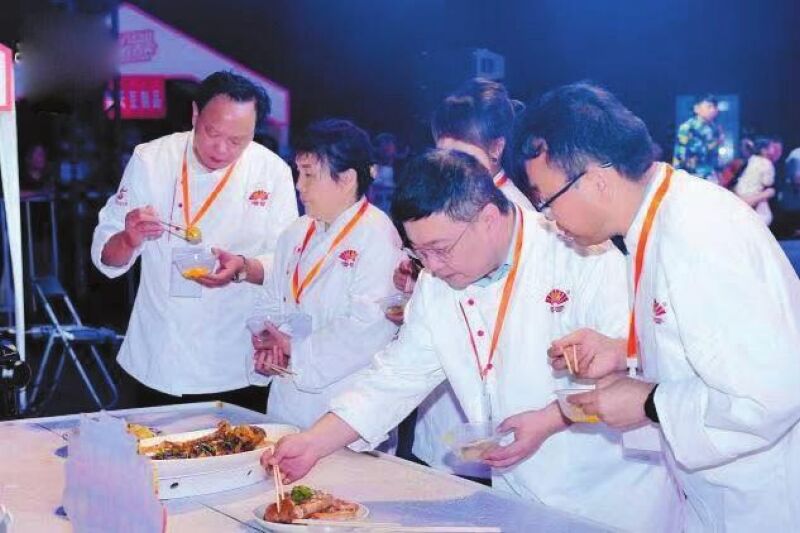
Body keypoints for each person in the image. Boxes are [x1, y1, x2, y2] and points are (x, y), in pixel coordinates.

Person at [262, 150, 683, 533]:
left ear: (488, 218)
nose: (432, 266)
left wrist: (551, 418)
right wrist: (312, 443)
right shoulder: (437, 282)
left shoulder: (581, 253)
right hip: (518, 493)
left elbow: (632, 371)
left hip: (613, 498)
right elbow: (395, 377)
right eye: (419, 253)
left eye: (441, 249)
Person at [516, 81, 800, 531]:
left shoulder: (698, 232)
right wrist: (624, 351)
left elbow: (769, 394)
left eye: (546, 201)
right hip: (721, 494)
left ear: (595, 180)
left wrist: (649, 402)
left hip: (763, 503)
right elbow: (707, 344)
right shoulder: (658, 219)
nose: (549, 219)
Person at [91, 71, 298, 409]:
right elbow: (106, 258)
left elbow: (288, 263)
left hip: (236, 355)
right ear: (194, 114)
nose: (221, 148)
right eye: (212, 132)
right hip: (161, 356)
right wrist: (129, 238)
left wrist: (242, 267)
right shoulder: (152, 159)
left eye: (237, 141)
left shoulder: (272, 172)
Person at [405, 78, 535, 481]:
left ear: (496, 148)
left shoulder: (517, 217)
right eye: (441, 152)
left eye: (461, 153)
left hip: (505, 428)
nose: (449, 166)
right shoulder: (437, 208)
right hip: (444, 412)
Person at [250, 119, 403, 430]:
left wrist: (296, 351)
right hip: (286, 399)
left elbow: (369, 327)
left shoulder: (377, 235)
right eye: (298, 173)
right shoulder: (295, 232)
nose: (299, 185)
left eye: (309, 175)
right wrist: (269, 344)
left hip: (346, 407)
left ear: (346, 179)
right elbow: (271, 300)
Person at [672, 94, 724, 181]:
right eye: (709, 106)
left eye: (715, 107)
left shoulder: (714, 128)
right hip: (693, 176)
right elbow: (681, 155)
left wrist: (719, 172)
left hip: (711, 176)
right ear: (696, 109)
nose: (713, 110)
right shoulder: (687, 127)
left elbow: (715, 156)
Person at [734, 136, 782, 225]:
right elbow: (767, 182)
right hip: (751, 195)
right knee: (766, 216)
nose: (775, 151)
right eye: (772, 148)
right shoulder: (767, 164)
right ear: (764, 150)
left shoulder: (751, 159)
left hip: (740, 193)